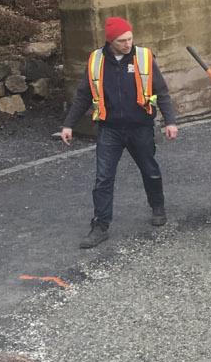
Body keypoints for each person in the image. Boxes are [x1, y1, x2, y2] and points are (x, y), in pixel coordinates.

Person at [60, 16, 178, 249]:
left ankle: (158, 207)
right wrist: (68, 124)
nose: (127, 44)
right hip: (109, 129)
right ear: (110, 41)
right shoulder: (96, 60)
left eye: (130, 39)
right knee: (103, 178)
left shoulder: (144, 58)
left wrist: (171, 122)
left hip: (141, 127)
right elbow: (84, 95)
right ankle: (100, 225)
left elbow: (162, 91)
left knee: (150, 170)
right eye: (122, 40)